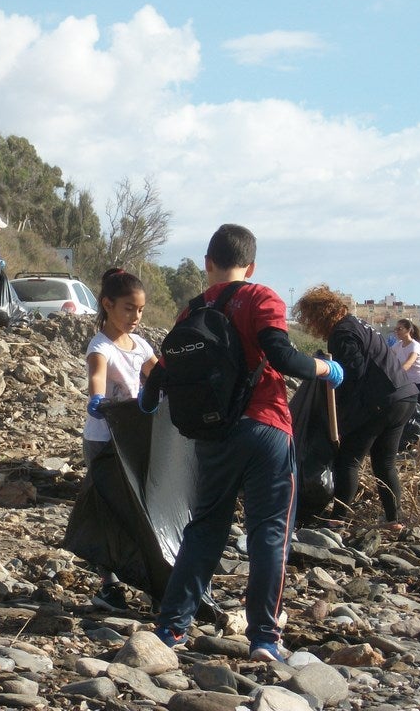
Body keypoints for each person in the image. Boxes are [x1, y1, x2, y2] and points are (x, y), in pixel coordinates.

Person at [140, 224, 343, 662]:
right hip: (267, 429)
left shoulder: (192, 310)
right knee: (269, 533)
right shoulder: (260, 297)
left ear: (207, 263)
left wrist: (147, 398)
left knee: (204, 528)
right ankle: (264, 639)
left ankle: (171, 627)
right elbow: (283, 357)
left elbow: (164, 372)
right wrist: (327, 370)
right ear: (250, 266)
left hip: (213, 436)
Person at [294, 285, 418, 531]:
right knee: (384, 462)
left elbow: (353, 373)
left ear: (319, 315)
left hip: (382, 401)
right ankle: (394, 519)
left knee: (348, 459)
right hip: (405, 396)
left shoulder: (341, 333)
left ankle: (338, 519)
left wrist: (340, 417)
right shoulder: (360, 325)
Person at [83, 268, 158, 610]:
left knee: (140, 511)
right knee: (108, 511)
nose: (135, 316)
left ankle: (150, 580)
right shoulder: (100, 346)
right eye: (128, 309)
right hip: (103, 439)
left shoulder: (140, 345)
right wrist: (97, 399)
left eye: (140, 310)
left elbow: (159, 374)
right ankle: (109, 585)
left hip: (133, 439)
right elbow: (97, 376)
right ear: (107, 305)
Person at [392, 318, 420, 407]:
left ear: (408, 330)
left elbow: (408, 364)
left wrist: (394, 374)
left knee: (417, 411)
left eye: (400, 329)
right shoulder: (398, 345)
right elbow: (387, 356)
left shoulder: (414, 346)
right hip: (407, 384)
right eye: (396, 329)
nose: (397, 331)